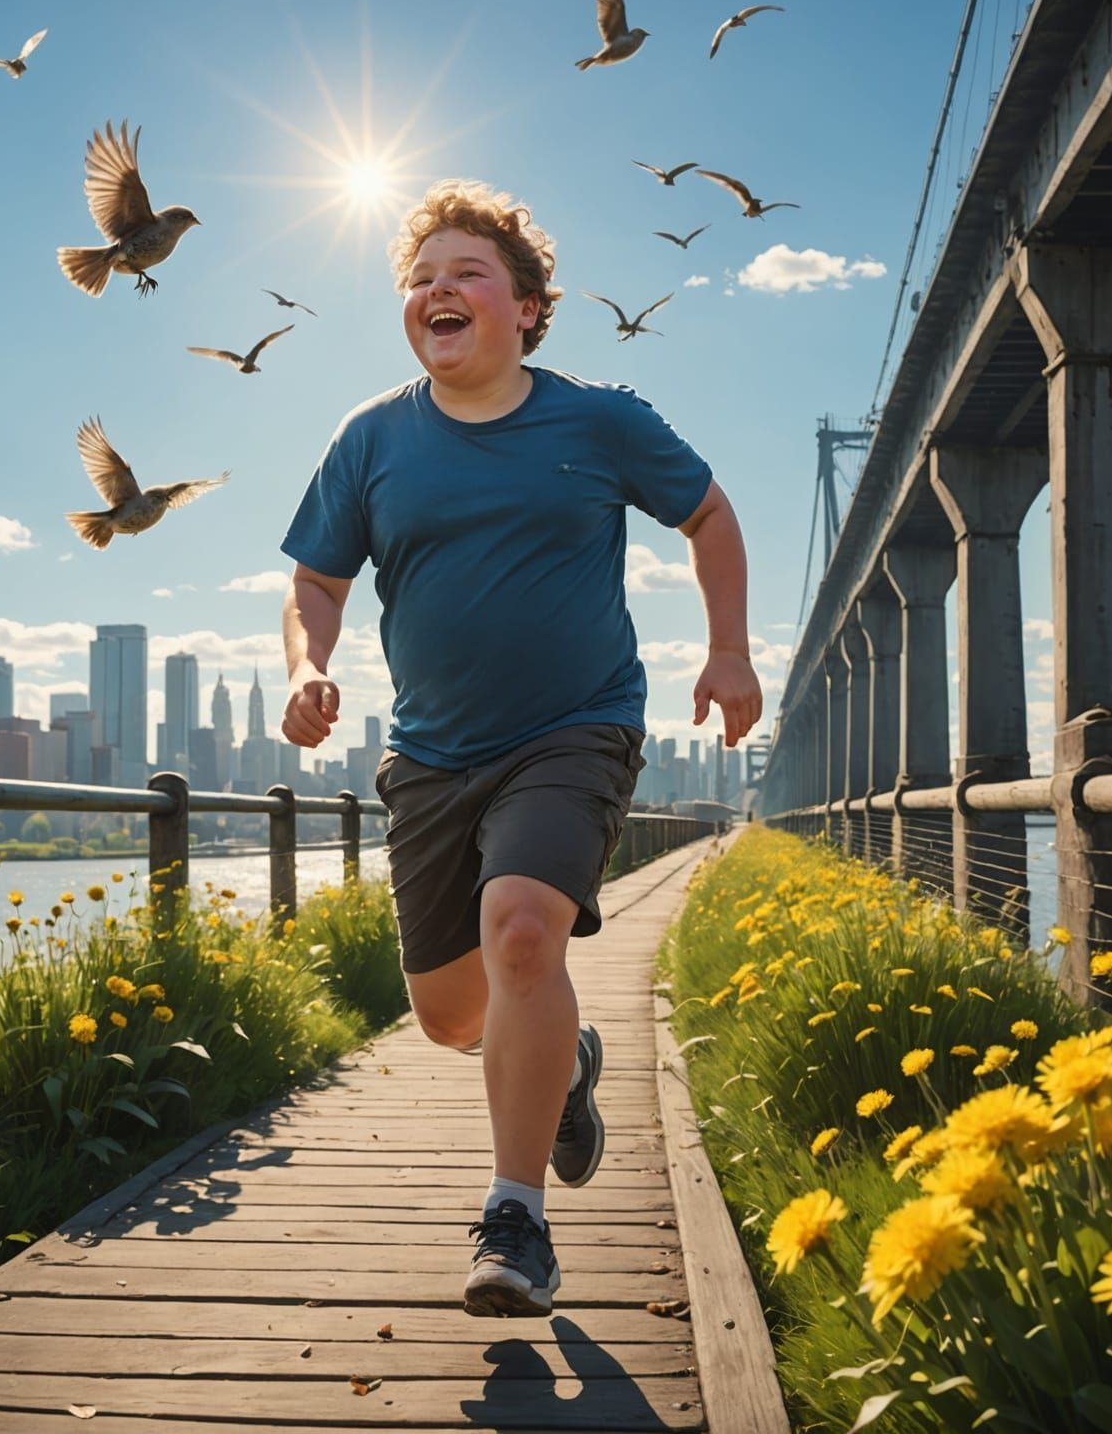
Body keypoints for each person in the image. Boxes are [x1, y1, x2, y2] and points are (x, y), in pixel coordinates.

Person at [278, 179, 761, 1317]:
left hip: (576, 727)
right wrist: (306, 664)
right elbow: (315, 580)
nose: (438, 289)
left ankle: (517, 1218)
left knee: (524, 931)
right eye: (422, 277)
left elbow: (710, 516)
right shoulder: (372, 437)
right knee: (452, 1014)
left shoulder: (600, 419)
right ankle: (570, 1058)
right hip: (435, 756)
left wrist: (729, 649)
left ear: (530, 309)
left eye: (468, 273)